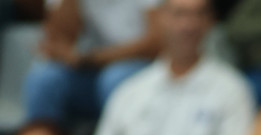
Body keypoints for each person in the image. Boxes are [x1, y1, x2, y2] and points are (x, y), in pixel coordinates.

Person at [83, 0, 255, 135]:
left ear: (210, 22)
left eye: (198, 15)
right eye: (179, 14)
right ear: (161, 19)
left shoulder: (232, 88)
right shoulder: (130, 91)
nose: (188, 25)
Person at [23, 0, 162, 125]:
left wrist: (90, 59)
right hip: (92, 70)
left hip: (143, 68)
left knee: (113, 77)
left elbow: (155, 43)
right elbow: (57, 40)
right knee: (44, 79)